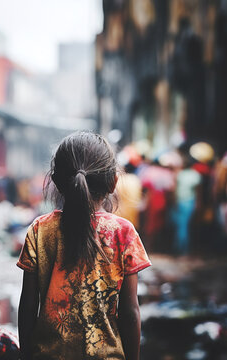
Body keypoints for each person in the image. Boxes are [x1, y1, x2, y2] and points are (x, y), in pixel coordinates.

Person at [17, 132, 152, 360]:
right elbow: (129, 313)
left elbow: (28, 307)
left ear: (58, 182)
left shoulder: (40, 230)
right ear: (113, 183)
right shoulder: (123, 232)